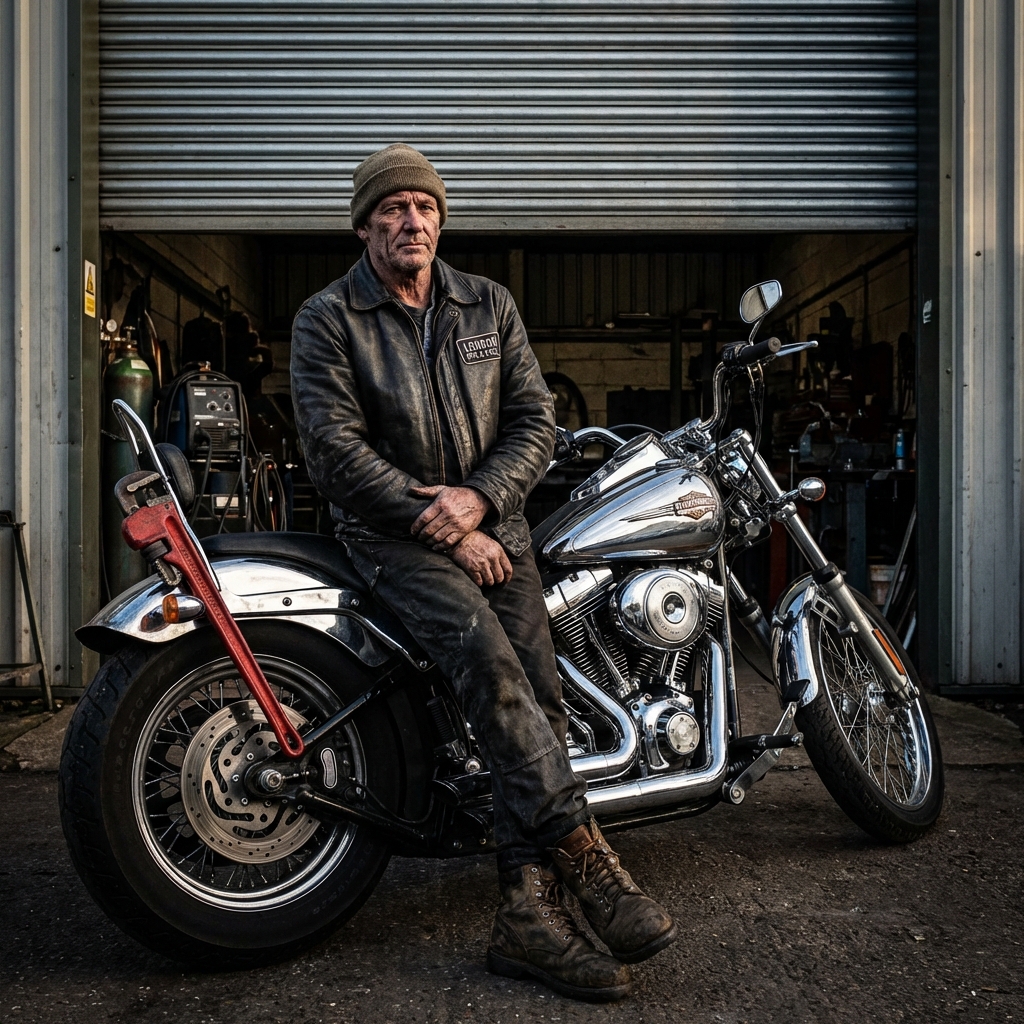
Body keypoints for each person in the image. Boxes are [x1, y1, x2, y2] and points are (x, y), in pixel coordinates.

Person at [290, 144, 676, 1002]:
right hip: (390, 534)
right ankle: (587, 855)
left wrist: (480, 499)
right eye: (393, 209)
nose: (412, 222)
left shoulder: (487, 304)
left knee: (540, 701)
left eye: (425, 207)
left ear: (441, 220)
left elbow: (536, 420)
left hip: (493, 525)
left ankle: (526, 916)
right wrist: (443, 523)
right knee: (492, 670)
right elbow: (334, 451)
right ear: (363, 227)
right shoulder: (328, 319)